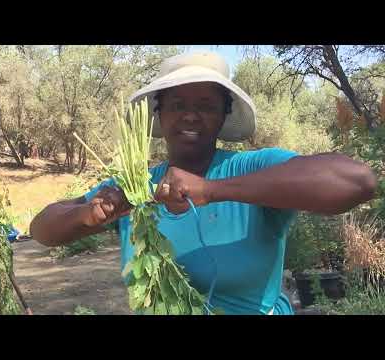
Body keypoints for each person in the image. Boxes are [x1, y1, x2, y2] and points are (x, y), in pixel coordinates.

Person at [30, 52, 377, 315]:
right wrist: (88, 215)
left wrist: (210, 191)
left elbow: (357, 181)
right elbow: (42, 229)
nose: (190, 115)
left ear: (224, 114)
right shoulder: (137, 188)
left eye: (206, 106)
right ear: (159, 113)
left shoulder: (253, 168)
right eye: (177, 104)